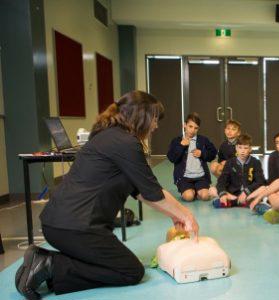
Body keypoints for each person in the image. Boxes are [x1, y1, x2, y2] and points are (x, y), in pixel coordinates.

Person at [16, 91, 199, 298]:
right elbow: (152, 191)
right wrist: (186, 215)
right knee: (131, 271)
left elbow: (140, 191)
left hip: (58, 224)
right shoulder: (126, 143)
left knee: (116, 264)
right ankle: (49, 264)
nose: (156, 126)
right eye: (155, 119)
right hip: (77, 228)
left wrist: (175, 215)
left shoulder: (109, 136)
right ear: (142, 117)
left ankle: (44, 263)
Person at [167, 112, 217, 202]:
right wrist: (181, 146)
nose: (192, 130)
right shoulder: (177, 141)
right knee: (189, 197)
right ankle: (191, 191)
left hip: (201, 176)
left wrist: (202, 153)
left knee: (205, 196)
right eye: (190, 126)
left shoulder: (203, 140)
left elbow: (213, 153)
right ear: (184, 125)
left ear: (198, 129)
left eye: (196, 128)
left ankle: (198, 191)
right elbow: (172, 158)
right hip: (184, 178)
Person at [214, 133, 265, 208]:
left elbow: (260, 181)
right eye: (240, 147)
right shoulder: (230, 162)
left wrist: (246, 191)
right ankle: (241, 201)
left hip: (249, 193)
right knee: (212, 190)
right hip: (233, 194)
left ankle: (233, 203)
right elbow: (222, 181)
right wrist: (222, 194)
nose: (242, 151)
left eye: (245, 148)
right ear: (236, 148)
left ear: (250, 149)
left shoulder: (255, 162)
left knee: (264, 188)